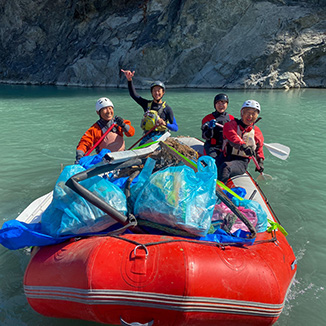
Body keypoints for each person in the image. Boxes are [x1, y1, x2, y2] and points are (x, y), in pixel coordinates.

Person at [121, 69, 178, 144]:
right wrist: (129, 80)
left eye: (159, 90)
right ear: (151, 92)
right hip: (147, 136)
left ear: (163, 92)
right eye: (154, 90)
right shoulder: (146, 104)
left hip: (160, 137)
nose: (156, 93)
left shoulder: (167, 109)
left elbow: (175, 128)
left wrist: (165, 124)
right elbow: (134, 95)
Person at [216, 99, 265, 183]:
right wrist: (243, 146)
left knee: (225, 167)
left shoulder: (257, 132)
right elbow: (233, 137)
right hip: (224, 156)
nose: (250, 116)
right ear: (242, 113)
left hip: (241, 162)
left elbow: (259, 150)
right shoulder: (230, 125)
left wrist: (260, 162)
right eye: (247, 112)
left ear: (257, 116)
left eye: (253, 114)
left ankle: (219, 190)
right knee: (210, 166)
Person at [75, 97, 135, 163]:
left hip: (121, 157)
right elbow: (84, 143)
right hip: (105, 161)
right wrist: (79, 156)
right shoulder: (94, 129)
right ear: (98, 112)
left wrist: (123, 125)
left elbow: (131, 133)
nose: (109, 111)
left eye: (110, 108)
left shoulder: (119, 122)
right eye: (105, 109)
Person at [201, 93, 234, 159]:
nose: (221, 105)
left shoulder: (231, 118)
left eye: (223, 103)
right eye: (218, 103)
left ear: (227, 104)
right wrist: (210, 129)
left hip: (226, 146)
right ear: (215, 105)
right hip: (212, 147)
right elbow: (205, 136)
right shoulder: (208, 118)